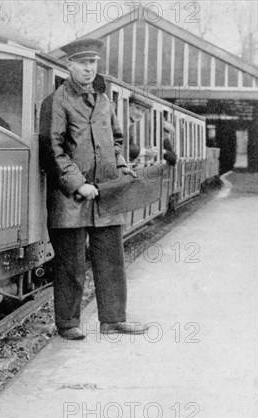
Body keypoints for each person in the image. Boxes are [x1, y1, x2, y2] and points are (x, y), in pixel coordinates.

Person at [39, 38, 148, 340]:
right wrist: (78, 184)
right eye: (83, 63)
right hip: (69, 198)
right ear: (69, 65)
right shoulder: (56, 101)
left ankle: (113, 319)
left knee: (111, 258)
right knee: (70, 264)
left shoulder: (104, 101)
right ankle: (67, 323)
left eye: (93, 63)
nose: (89, 69)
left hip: (106, 194)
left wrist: (122, 168)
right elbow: (53, 149)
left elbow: (115, 141)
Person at [128, 94, 155, 163]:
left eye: (143, 111)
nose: (139, 113)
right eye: (137, 108)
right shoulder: (122, 124)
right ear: (129, 105)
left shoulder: (130, 125)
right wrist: (145, 152)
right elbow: (124, 147)